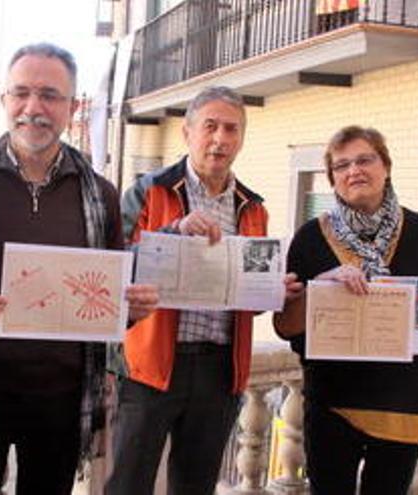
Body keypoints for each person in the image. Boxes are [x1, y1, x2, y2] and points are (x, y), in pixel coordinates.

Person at [0, 42, 158, 495]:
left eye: (49, 95)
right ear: (3, 100)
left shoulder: (99, 194)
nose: (33, 108)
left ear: (73, 107)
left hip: (62, 400)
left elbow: (107, 300)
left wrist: (133, 305)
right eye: (20, 93)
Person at [107, 86, 302, 495]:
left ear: (241, 139)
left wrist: (270, 290)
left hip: (219, 369)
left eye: (231, 129)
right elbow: (113, 267)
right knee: (128, 484)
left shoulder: (254, 207)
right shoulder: (149, 191)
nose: (220, 139)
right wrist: (171, 232)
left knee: (195, 486)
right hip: (150, 367)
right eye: (210, 126)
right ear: (187, 133)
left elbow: (246, 298)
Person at [273, 125, 418, 494]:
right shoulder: (311, 238)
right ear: (332, 179)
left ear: (386, 166)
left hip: (404, 405)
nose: (354, 171)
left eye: (365, 159)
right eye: (341, 165)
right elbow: (285, 326)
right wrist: (322, 288)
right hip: (334, 403)